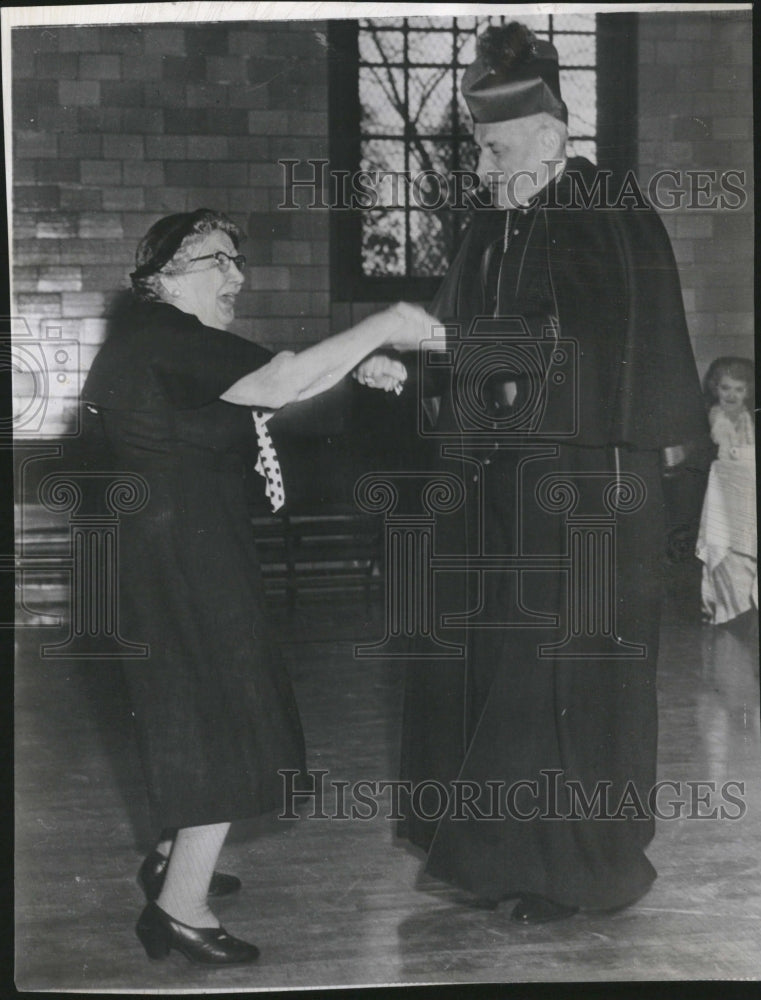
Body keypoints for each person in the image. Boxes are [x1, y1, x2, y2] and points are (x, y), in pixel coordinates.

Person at [382, 22, 709, 922]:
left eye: (490, 149)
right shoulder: (494, 223)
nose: (481, 167)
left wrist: (447, 342)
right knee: (507, 674)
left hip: (589, 499)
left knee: (571, 681)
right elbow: (471, 344)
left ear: (548, 137)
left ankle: (581, 871)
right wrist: (409, 368)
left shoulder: (605, 210)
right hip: (507, 498)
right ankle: (511, 858)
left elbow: (591, 353)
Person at [81, 208, 434, 965]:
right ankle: (182, 907)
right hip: (184, 560)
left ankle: (175, 859)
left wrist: (351, 362)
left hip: (175, 553)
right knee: (222, 715)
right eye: (216, 260)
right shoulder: (167, 338)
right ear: (162, 273)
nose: (236, 276)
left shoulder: (160, 344)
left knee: (196, 707)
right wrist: (379, 327)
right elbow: (279, 377)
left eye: (237, 261)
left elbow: (268, 387)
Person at [696, 357, 756, 625]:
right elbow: (724, 444)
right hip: (726, 481)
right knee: (728, 541)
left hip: (745, 478)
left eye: (739, 389)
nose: (731, 395)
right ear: (714, 388)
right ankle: (728, 603)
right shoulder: (717, 414)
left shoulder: (745, 414)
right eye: (725, 388)